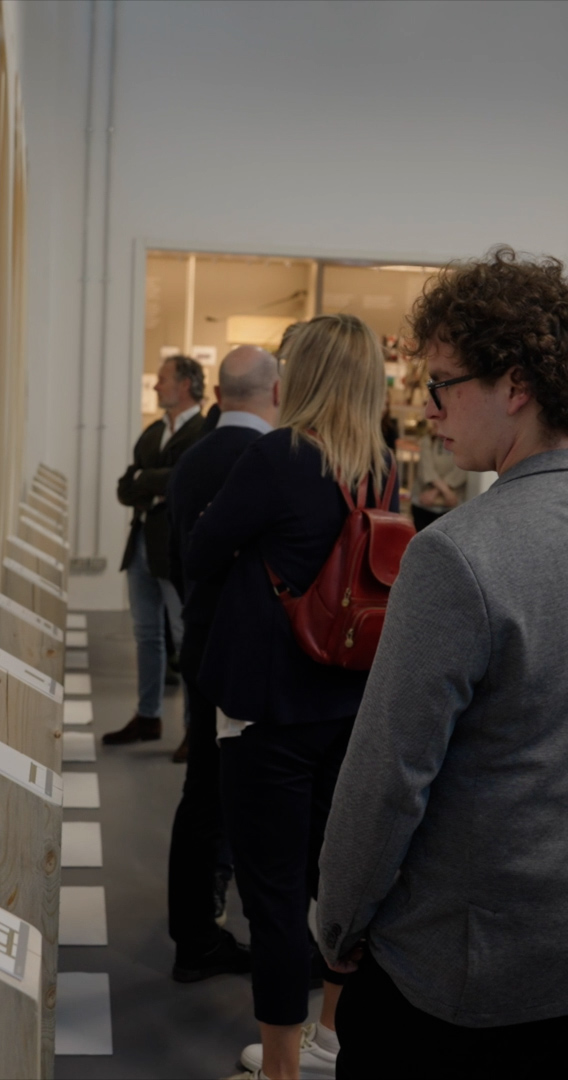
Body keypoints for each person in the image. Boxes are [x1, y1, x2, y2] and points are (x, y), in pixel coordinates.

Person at [318, 247, 568, 1080]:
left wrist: (340, 924)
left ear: (517, 385)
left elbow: (388, 776)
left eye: (444, 385)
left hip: (464, 967)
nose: (431, 408)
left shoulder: (457, 555)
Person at [187, 314, 396, 1080]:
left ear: (302, 375)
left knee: (271, 893)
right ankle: (329, 1038)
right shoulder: (380, 466)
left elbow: (203, 548)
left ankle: (278, 1069)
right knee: (334, 883)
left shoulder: (280, 455)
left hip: (270, 705)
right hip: (349, 698)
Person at [162, 345, 281, 984]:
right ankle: (225, 938)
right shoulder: (271, 461)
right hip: (254, 659)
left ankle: (194, 932)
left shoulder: (192, 459)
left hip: (202, 642)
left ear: (216, 395)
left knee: (203, 793)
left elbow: (179, 557)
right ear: (277, 393)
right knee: (250, 799)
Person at [105, 353, 208, 746]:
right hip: (142, 546)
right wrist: (156, 485)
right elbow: (124, 488)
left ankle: (194, 729)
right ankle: (148, 716)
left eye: (163, 379)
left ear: (184, 384)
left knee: (184, 638)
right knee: (146, 635)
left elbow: (184, 482)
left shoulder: (202, 431)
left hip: (175, 550)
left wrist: (145, 480)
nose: (156, 385)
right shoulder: (153, 433)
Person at [409, 421, 467, 530]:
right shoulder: (427, 441)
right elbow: (427, 469)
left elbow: (461, 470)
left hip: (452, 506)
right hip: (424, 503)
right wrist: (446, 492)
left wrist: (439, 492)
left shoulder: (463, 442)